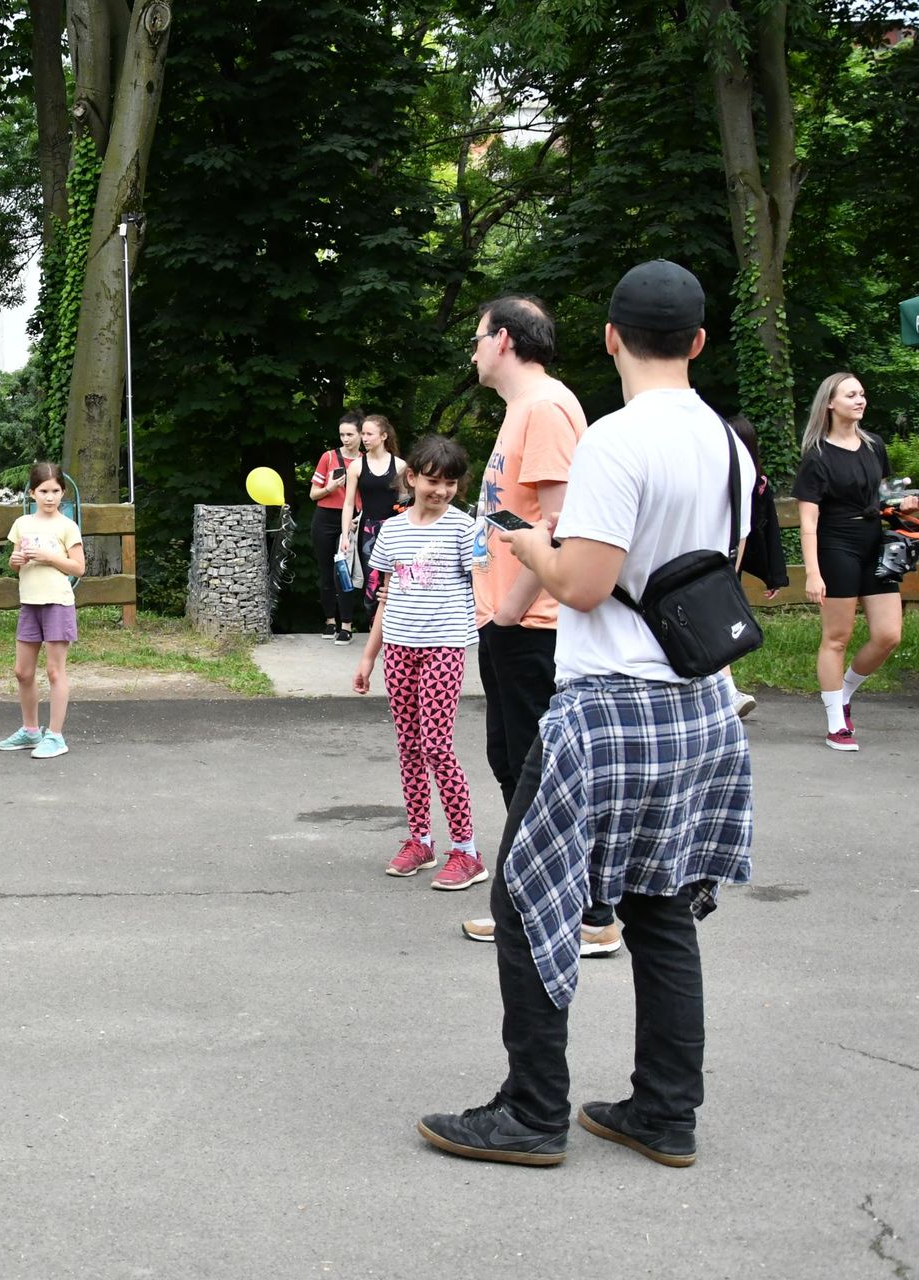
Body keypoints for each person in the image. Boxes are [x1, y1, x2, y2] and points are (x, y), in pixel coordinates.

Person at [418, 259, 754, 1169]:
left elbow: (585, 582)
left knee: (527, 896)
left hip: (610, 704)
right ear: (697, 341)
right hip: (700, 702)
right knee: (659, 903)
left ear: (610, 338)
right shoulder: (728, 443)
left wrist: (530, 543)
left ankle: (532, 1112)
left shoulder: (616, 440)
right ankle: (665, 1112)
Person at [453, 295, 618, 956]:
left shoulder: (545, 407)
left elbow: (562, 523)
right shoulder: (524, 407)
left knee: (539, 771)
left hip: (532, 623)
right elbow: (518, 516)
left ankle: (579, 912)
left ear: (503, 340)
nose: (472, 352)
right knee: (515, 762)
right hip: (510, 619)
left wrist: (510, 610)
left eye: (476, 338)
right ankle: (557, 902)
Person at [352, 436, 482, 890]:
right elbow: (386, 598)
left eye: (451, 482)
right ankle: (420, 841)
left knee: (437, 747)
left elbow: (484, 586)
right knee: (409, 747)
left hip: (444, 646)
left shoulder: (464, 528)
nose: (441, 490)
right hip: (399, 648)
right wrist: (368, 656)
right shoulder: (392, 531)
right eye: (433, 481)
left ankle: (467, 850)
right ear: (412, 478)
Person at [793, 372, 918, 750]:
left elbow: (882, 497)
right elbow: (808, 523)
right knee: (837, 637)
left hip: (875, 544)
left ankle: (844, 693)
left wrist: (902, 505)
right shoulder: (817, 456)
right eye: (851, 395)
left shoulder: (874, 445)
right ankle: (836, 724)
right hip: (836, 546)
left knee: (888, 635)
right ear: (830, 403)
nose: (860, 400)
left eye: (861, 394)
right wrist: (812, 573)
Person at [0, 462, 86, 759]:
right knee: (22, 672)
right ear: (32, 493)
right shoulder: (22, 524)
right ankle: (31, 730)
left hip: (57, 602)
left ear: (63, 493)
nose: (50, 497)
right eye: (44, 491)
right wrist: (16, 560)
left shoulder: (67, 526)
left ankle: (56, 736)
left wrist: (49, 557)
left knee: (54, 671)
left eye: (56, 491)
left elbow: (79, 568)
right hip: (29, 603)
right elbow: (14, 562)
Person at [726, 414, 788, 720]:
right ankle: (726, 691)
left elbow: (761, 531)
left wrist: (772, 574)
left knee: (718, 626)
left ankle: (726, 692)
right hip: (715, 562)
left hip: (726, 563)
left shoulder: (756, 484)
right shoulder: (716, 476)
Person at [339, 413, 406, 620]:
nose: (365, 438)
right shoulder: (357, 466)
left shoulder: (400, 466)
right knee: (372, 581)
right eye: (363, 434)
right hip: (368, 531)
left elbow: (406, 501)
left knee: (396, 579)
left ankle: (394, 627)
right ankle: (373, 627)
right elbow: (349, 503)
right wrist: (345, 535)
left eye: (370, 434)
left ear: (384, 436)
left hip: (395, 531)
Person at [308, 411, 364, 642]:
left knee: (344, 572)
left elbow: (370, 496)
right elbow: (313, 494)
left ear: (361, 434)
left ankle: (347, 625)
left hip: (351, 519)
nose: (345, 439)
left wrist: (360, 518)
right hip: (324, 517)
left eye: (350, 434)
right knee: (326, 572)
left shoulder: (365, 461)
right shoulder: (328, 457)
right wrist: (330, 488)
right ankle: (330, 621)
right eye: (342, 435)